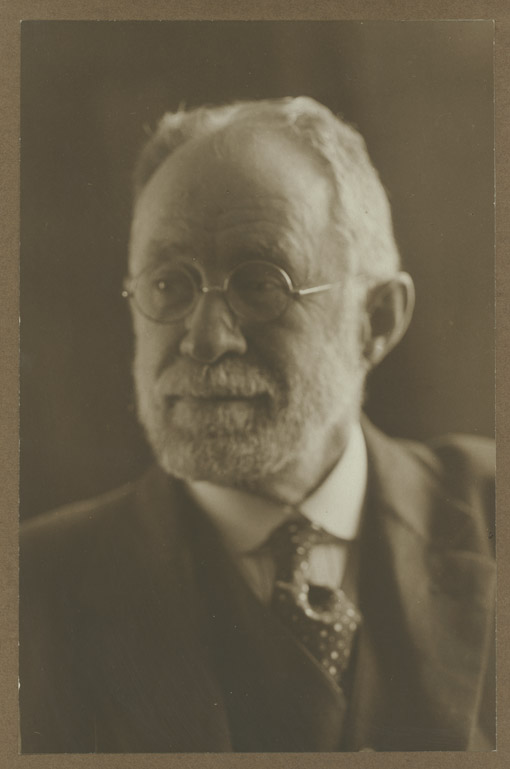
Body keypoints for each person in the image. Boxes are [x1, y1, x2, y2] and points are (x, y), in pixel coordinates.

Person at [19, 97, 495, 753]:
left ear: (377, 320)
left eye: (261, 283)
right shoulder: (28, 591)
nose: (204, 339)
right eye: (168, 286)